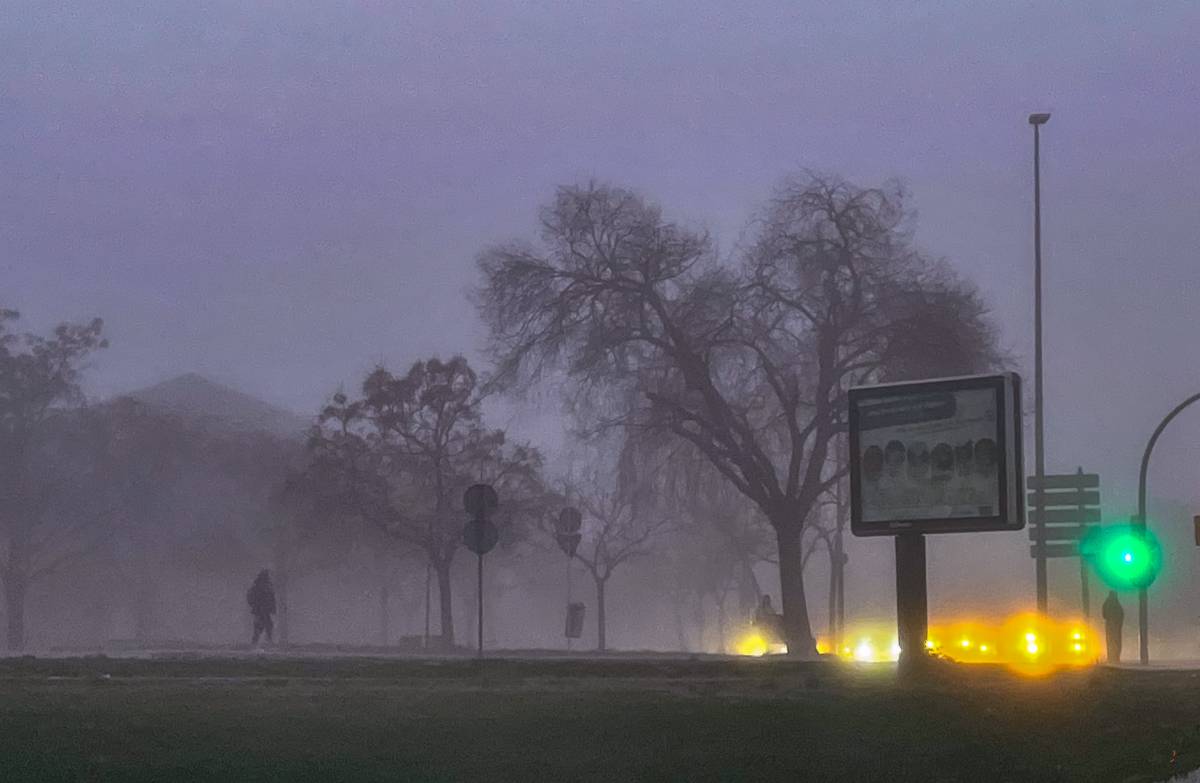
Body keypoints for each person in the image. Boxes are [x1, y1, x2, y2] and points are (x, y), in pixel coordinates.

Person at [247, 569, 277, 647]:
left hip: (262, 610)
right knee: (263, 626)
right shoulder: (261, 587)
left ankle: (259, 642)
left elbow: (271, 598)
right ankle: (260, 642)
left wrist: (272, 608)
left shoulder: (262, 586)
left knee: (265, 625)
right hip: (261, 610)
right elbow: (270, 598)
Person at [1102, 590, 1124, 664]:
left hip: (1110, 625)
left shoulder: (1107, 603)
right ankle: (1115, 657)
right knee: (1116, 641)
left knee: (1110, 641)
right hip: (1115, 627)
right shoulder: (1118, 605)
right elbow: (1121, 615)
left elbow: (1104, 614)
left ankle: (1112, 657)